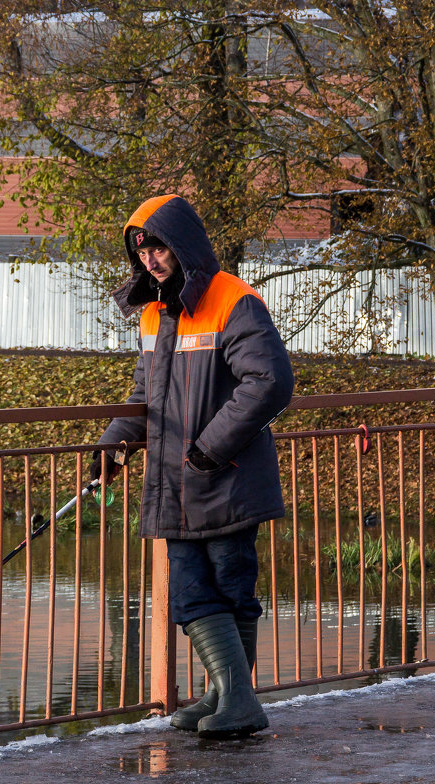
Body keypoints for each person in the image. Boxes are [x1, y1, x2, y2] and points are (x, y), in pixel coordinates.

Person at [93, 194, 293, 738]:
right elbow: (147, 394)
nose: (151, 260)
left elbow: (271, 381)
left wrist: (209, 447)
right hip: (178, 483)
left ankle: (233, 700)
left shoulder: (233, 300)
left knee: (229, 590)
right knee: (192, 594)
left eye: (158, 246)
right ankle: (228, 696)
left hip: (223, 478)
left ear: (182, 244)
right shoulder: (157, 312)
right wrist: (114, 445)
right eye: (141, 251)